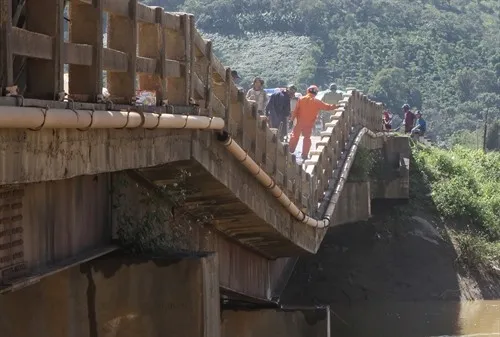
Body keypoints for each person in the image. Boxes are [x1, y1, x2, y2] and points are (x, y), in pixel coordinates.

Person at [289, 85, 337, 160]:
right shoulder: (316, 101)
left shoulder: (301, 99)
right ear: (316, 93)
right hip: (309, 124)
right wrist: (337, 106)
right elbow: (327, 107)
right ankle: (304, 155)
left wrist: (292, 120)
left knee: (294, 136)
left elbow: (295, 111)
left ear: (308, 90)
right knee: (307, 138)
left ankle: (290, 151)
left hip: (299, 122)